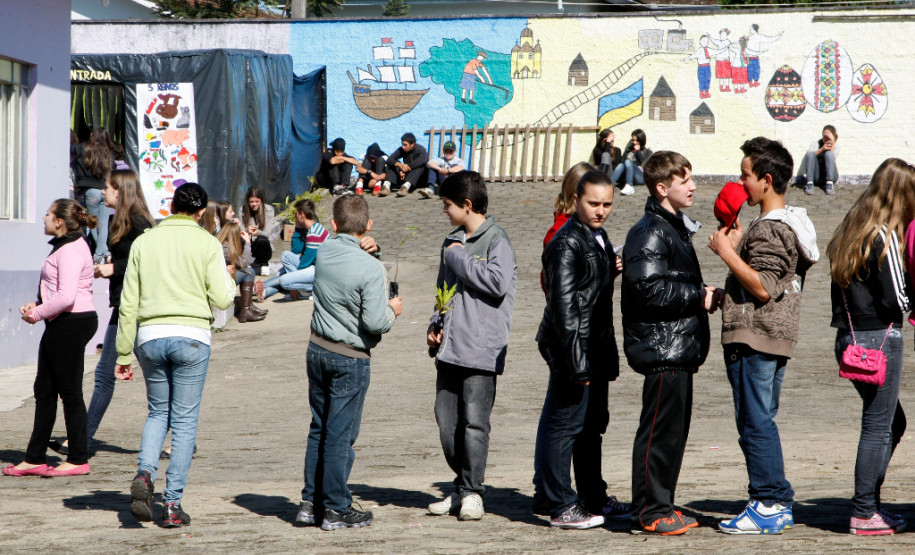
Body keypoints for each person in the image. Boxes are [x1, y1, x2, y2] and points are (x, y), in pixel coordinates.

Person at [709, 137, 819, 535]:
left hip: (756, 336)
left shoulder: (772, 228)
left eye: (745, 176)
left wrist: (726, 251)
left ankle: (768, 501)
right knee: (761, 419)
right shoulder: (782, 223)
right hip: (771, 335)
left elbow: (764, 287)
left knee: (755, 422)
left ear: (767, 180)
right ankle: (777, 501)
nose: (741, 184)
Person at [116, 183, 236, 528]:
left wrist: (123, 353)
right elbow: (223, 299)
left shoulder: (145, 241)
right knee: (184, 422)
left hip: (150, 336)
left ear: (172, 205)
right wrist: (227, 280)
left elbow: (129, 303)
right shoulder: (207, 243)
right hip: (192, 337)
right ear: (201, 213)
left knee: (157, 413)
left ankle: (144, 472)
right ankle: (171, 505)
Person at [622, 151, 718, 535]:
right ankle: (649, 512)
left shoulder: (672, 227)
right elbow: (648, 288)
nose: (693, 186)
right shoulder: (649, 230)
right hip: (663, 349)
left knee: (672, 434)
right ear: (663, 188)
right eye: (684, 181)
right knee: (659, 433)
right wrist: (698, 296)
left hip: (677, 348)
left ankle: (661, 504)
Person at [295, 195, 401, 531]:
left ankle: (310, 504)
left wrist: (371, 251)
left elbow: (342, 247)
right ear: (368, 226)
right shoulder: (371, 268)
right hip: (349, 357)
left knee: (319, 429)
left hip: (317, 349)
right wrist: (393, 311)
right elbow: (375, 322)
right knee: (340, 435)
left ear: (335, 225)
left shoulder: (324, 250)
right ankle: (336, 508)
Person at [533, 169, 627, 529]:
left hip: (594, 345)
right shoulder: (567, 241)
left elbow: (590, 295)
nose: (601, 210)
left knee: (591, 426)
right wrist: (577, 363)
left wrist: (609, 270)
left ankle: (592, 496)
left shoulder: (597, 237)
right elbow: (564, 308)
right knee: (566, 424)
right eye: (593, 203)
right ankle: (560, 504)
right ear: (576, 200)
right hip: (571, 347)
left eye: (607, 204)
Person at [829, 159, 915, 535]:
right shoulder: (885, 236)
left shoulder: (851, 230)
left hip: (849, 338)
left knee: (889, 422)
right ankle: (865, 510)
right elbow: (899, 300)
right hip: (880, 339)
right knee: (879, 426)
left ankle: (869, 504)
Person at [425, 171, 517, 522]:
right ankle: (462, 486)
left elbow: (496, 283)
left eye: (448, 205)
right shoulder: (450, 241)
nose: (445, 212)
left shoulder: (497, 240)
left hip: (482, 349)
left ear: (466, 204)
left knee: (475, 423)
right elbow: (442, 293)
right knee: (447, 423)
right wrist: (435, 325)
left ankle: (473, 493)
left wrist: (459, 257)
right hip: (450, 348)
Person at [4, 200, 98, 477]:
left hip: (71, 323)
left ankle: (78, 457)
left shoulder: (70, 249)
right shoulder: (67, 246)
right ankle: (34, 457)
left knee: (69, 391)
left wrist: (37, 314)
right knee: (45, 390)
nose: (44, 217)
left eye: (48, 214)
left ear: (59, 221)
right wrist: (38, 305)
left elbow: (67, 296)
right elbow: (57, 289)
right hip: (63, 321)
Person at [83, 171, 155, 451]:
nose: (103, 192)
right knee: (108, 375)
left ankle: (84, 439)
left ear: (121, 191)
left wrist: (115, 268)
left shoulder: (140, 222)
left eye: (108, 188)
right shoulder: (116, 221)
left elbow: (149, 262)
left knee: (149, 377)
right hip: (123, 305)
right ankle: (84, 439)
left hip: (136, 307)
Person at [262, 198, 328, 300]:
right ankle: (264, 290)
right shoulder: (311, 229)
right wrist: (297, 227)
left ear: (302, 214)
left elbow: (305, 262)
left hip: (318, 271)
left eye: (296, 213)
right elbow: (296, 250)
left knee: (284, 279)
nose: (295, 216)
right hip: (312, 267)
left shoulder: (314, 233)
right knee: (286, 256)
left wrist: (294, 284)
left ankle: (310, 290)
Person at [71, 127, 115, 262]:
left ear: (92, 136)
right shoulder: (109, 155)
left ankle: (99, 254)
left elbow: (69, 146)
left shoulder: (83, 149)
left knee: (92, 223)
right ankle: (103, 252)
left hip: (90, 192)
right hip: (105, 191)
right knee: (103, 224)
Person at [218, 222, 266, 323]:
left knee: (248, 271)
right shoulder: (225, 249)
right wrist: (248, 243)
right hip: (220, 281)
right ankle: (246, 309)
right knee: (248, 272)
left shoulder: (222, 244)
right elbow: (244, 262)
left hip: (222, 277)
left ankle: (248, 307)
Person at [240, 186, 280, 273]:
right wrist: (247, 231)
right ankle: (246, 262)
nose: (254, 204)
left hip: (262, 246)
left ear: (261, 200)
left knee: (262, 240)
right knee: (241, 240)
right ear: (247, 201)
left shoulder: (269, 210)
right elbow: (240, 230)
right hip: (248, 243)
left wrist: (257, 232)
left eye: (257, 201)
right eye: (251, 202)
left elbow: (267, 233)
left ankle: (264, 264)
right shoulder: (242, 210)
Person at [383, 132, 428, 197]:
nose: (403, 147)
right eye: (402, 144)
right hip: (407, 176)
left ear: (412, 144)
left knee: (420, 166)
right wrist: (400, 166)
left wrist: (404, 169)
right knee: (392, 164)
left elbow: (422, 161)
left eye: (405, 145)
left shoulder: (421, 150)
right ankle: (386, 186)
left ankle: (405, 187)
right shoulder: (402, 150)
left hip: (419, 179)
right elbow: (389, 159)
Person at [798, 125, 839, 196]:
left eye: (828, 136)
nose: (826, 139)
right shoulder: (815, 144)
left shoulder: (836, 146)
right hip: (817, 177)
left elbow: (833, 157)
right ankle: (809, 183)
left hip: (831, 176)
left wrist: (832, 142)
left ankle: (829, 184)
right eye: (824, 136)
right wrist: (822, 149)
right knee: (811, 154)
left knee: (829, 154)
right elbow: (809, 156)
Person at [611, 129, 652, 196]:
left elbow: (644, 165)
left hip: (640, 177)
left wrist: (638, 152)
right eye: (633, 140)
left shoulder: (647, 152)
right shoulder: (628, 150)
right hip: (626, 176)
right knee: (621, 165)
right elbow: (622, 162)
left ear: (641, 140)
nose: (634, 142)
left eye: (636, 140)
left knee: (628, 161)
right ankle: (610, 184)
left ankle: (629, 186)